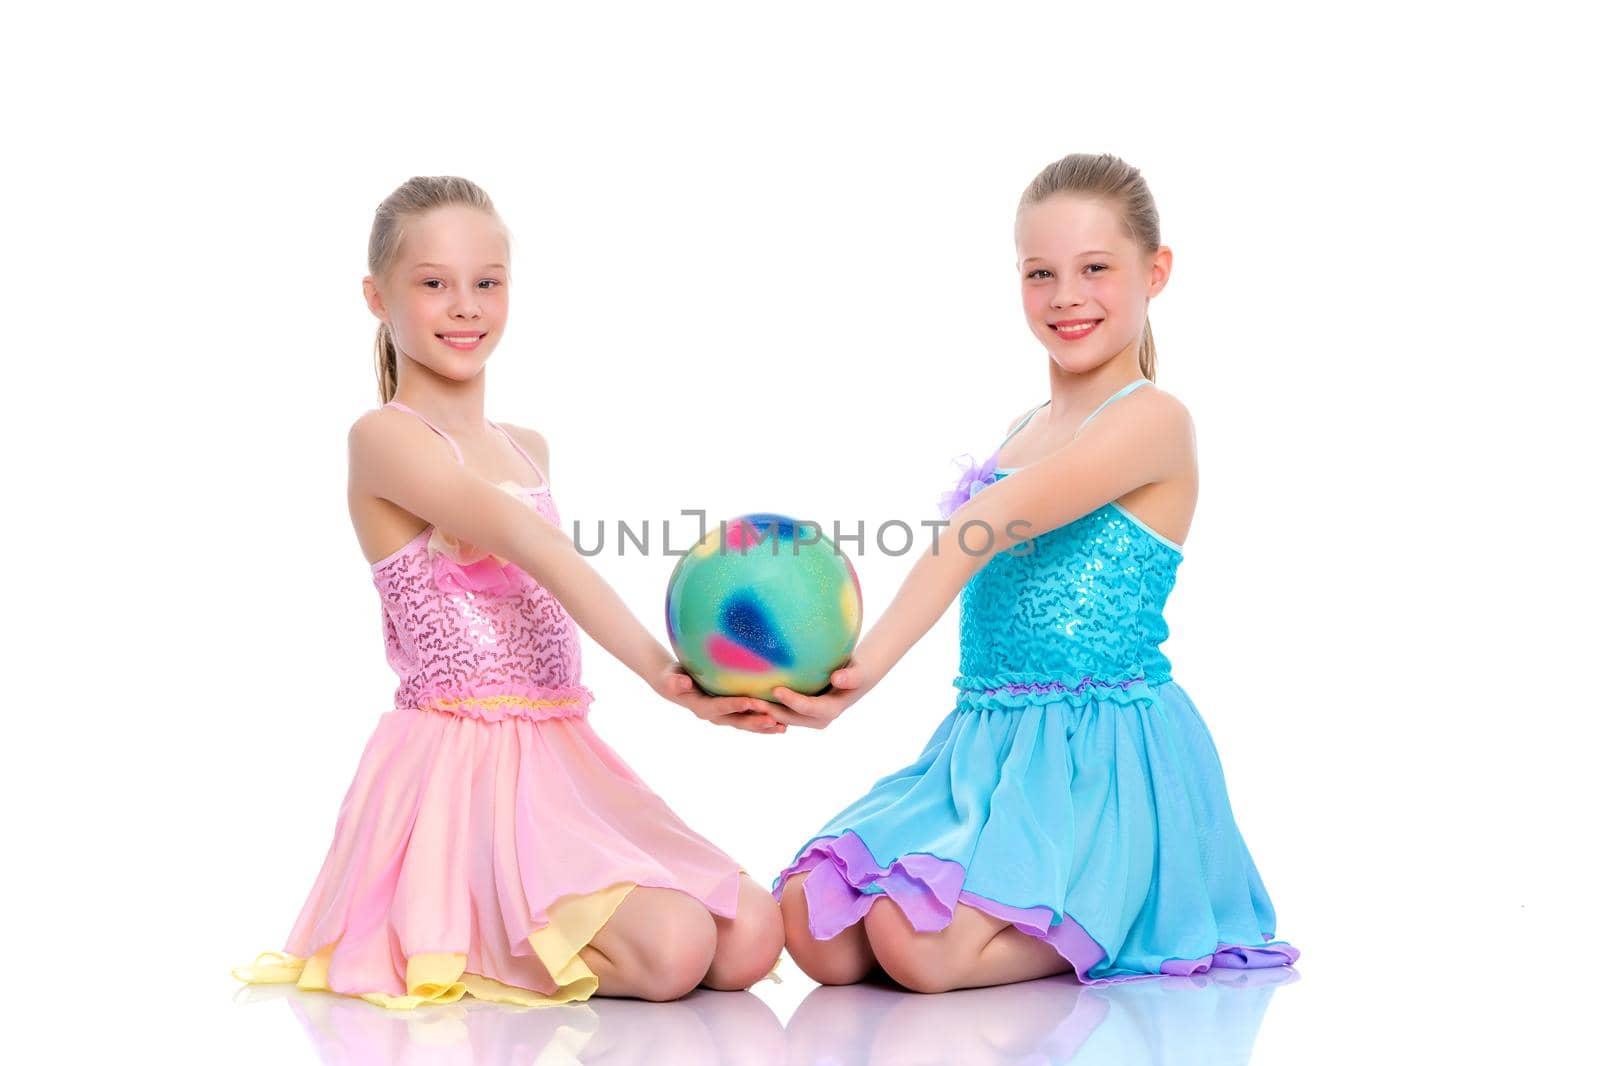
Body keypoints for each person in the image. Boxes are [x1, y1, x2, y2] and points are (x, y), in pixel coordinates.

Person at [232, 176, 784, 1009]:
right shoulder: (384, 438)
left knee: (751, 935)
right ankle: (467, 929)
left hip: (561, 756)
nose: (464, 307)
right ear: (377, 296)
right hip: (465, 771)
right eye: (433, 283)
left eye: (486, 281)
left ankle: (563, 919)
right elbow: (530, 542)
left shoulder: (528, 447)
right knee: (674, 952)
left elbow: (540, 563)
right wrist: (670, 676)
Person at [765, 153, 1300, 991]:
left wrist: (858, 670)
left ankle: (1125, 909)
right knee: (812, 920)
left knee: (916, 946)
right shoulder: (1023, 426)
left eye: (1096, 269)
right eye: (1040, 273)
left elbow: (978, 529)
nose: (1066, 296)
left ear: (1154, 272)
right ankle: (994, 906)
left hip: (1097, 754)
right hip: (985, 745)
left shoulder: (1154, 420)